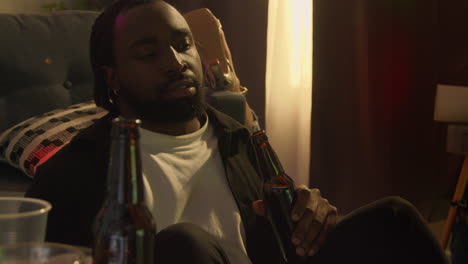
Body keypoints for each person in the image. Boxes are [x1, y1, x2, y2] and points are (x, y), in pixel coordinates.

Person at [25, 0, 448, 263]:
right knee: (185, 244)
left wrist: (309, 216)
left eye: (183, 43)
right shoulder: (74, 171)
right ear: (113, 78)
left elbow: (282, 237)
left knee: (394, 217)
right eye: (149, 52)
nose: (176, 62)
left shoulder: (239, 138)